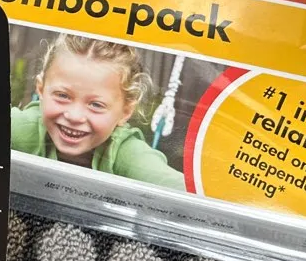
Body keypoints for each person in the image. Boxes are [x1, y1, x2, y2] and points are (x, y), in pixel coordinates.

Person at [12, 33, 186, 189]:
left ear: (125, 112)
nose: (74, 116)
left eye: (96, 105)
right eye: (62, 96)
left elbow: (183, 191)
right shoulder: (25, 128)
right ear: (41, 89)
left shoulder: (126, 153)